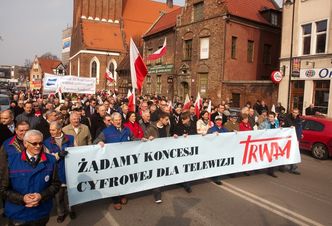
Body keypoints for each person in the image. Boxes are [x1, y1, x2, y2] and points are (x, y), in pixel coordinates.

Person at [0, 130, 60, 226]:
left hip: (41, 213)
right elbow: (3, 189)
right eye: (34, 143)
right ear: (25, 143)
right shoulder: (11, 161)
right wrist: (22, 198)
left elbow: (56, 184)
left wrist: (41, 196)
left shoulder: (51, 160)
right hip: (18, 214)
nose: (38, 146)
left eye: (40, 143)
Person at [94, 112, 133, 210]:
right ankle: (116, 200)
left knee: (124, 178)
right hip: (112, 161)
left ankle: (123, 195)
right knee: (114, 180)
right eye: (116, 120)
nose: (118, 122)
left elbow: (133, 139)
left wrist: (142, 140)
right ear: (111, 121)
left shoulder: (127, 129)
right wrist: (100, 142)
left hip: (125, 159)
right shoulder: (106, 131)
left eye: (119, 120)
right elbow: (95, 141)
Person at [44, 121, 75, 223]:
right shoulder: (47, 142)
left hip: (70, 172)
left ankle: (71, 210)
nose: (50, 132)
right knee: (58, 196)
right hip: (56, 173)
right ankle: (61, 213)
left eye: (53, 130)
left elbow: (78, 151)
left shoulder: (71, 138)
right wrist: (58, 155)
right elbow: (48, 158)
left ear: (59, 129)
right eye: (50, 129)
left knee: (70, 195)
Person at [144, 112, 171, 203]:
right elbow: (144, 139)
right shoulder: (151, 128)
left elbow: (168, 138)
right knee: (156, 173)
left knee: (161, 172)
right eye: (166, 119)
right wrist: (148, 139)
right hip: (154, 155)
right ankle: (157, 192)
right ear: (161, 119)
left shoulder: (167, 127)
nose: (168, 121)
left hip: (164, 154)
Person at [258, 112, 279, 178]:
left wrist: (280, 129)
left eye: (272, 117)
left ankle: (271, 171)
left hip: (273, 142)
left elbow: (278, 130)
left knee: (271, 156)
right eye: (269, 117)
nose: (270, 118)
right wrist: (264, 131)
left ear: (274, 117)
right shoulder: (264, 123)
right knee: (262, 155)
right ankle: (258, 168)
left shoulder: (276, 123)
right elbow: (259, 130)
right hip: (266, 142)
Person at [283, 108, 302, 175]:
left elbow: (299, 129)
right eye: (294, 112)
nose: (295, 114)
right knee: (286, 152)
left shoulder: (298, 119)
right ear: (292, 112)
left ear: (298, 113)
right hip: (287, 139)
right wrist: (289, 127)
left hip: (295, 139)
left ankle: (294, 168)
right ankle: (284, 166)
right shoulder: (287, 118)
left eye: (296, 113)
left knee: (294, 153)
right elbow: (284, 126)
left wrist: (299, 138)